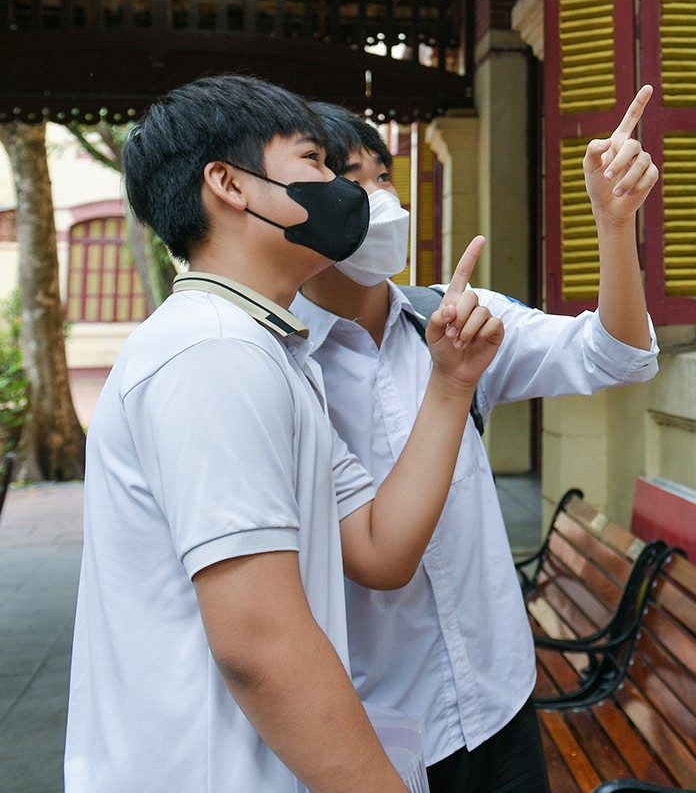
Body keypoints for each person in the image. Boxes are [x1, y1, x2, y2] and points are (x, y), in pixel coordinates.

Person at [66, 74, 506, 793]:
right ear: (229, 184)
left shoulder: (263, 349)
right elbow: (260, 646)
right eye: (314, 162)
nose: (341, 188)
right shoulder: (214, 353)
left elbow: (376, 546)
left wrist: (452, 382)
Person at [294, 92, 660, 793]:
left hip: (501, 700)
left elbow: (618, 355)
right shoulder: (285, 366)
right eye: (351, 180)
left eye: (384, 179)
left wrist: (614, 226)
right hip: (381, 728)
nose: (380, 202)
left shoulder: (457, 318)